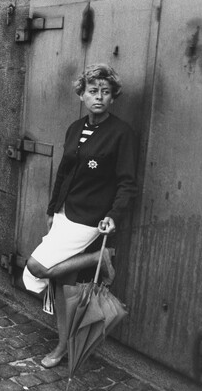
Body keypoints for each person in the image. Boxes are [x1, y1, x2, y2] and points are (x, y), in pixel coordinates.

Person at [23, 63, 138, 369]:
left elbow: (127, 182)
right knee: (63, 283)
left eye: (105, 92)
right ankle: (62, 346)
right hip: (64, 212)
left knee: (36, 267)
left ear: (113, 97)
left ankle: (100, 257)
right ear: (82, 95)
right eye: (92, 91)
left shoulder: (121, 133)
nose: (98, 97)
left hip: (89, 217)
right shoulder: (75, 128)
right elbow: (64, 171)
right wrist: (51, 210)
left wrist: (114, 215)